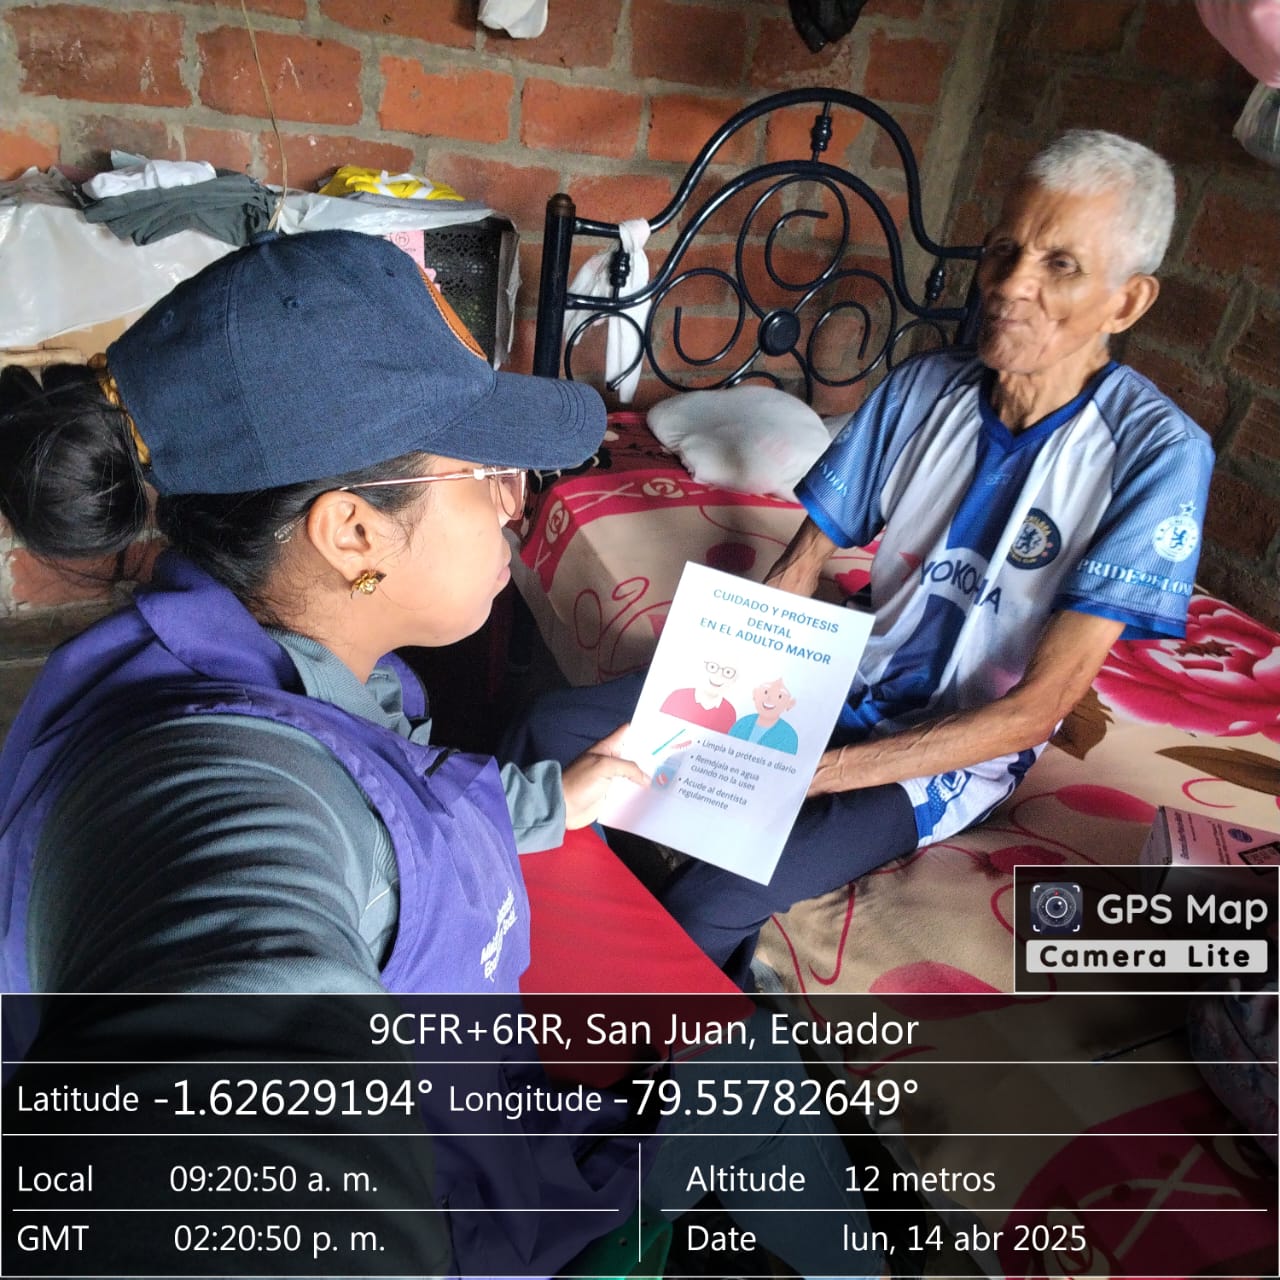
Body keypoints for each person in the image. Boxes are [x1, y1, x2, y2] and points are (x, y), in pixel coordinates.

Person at [0, 230, 878, 1279]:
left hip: (470, 1121)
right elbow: (230, 997)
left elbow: (379, 784)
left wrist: (550, 798)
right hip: (469, 1212)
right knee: (751, 1072)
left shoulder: (214, 647)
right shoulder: (218, 790)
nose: (517, 502)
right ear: (352, 532)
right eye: (485, 473)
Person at [507, 129, 1217, 990]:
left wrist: (801, 775)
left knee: (710, 900)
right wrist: (724, 700)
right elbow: (801, 564)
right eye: (1004, 251)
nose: (1010, 286)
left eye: (1060, 265)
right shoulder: (922, 388)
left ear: (1127, 301)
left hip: (950, 751)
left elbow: (1035, 712)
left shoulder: (1156, 455)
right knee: (551, 732)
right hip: (836, 677)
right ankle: (518, 947)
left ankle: (628, 1046)